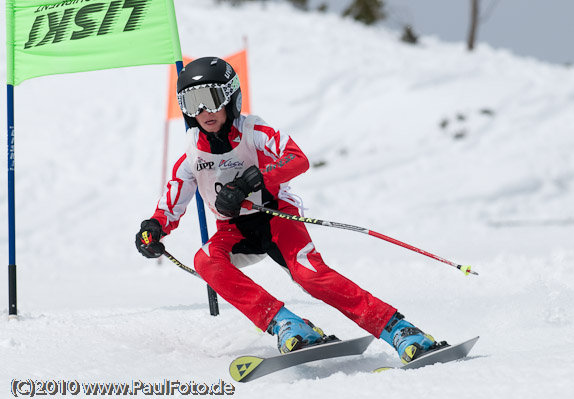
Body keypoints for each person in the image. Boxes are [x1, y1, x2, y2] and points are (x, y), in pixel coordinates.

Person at [135, 57, 437, 364]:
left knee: (310, 276)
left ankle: (399, 329)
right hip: (235, 231)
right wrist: (153, 228)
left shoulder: (254, 131)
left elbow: (296, 158)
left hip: (277, 217)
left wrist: (252, 181)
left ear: (230, 97)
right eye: (192, 102)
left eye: (211, 99)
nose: (204, 111)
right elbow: (171, 202)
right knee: (206, 262)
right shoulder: (192, 154)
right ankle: (285, 323)